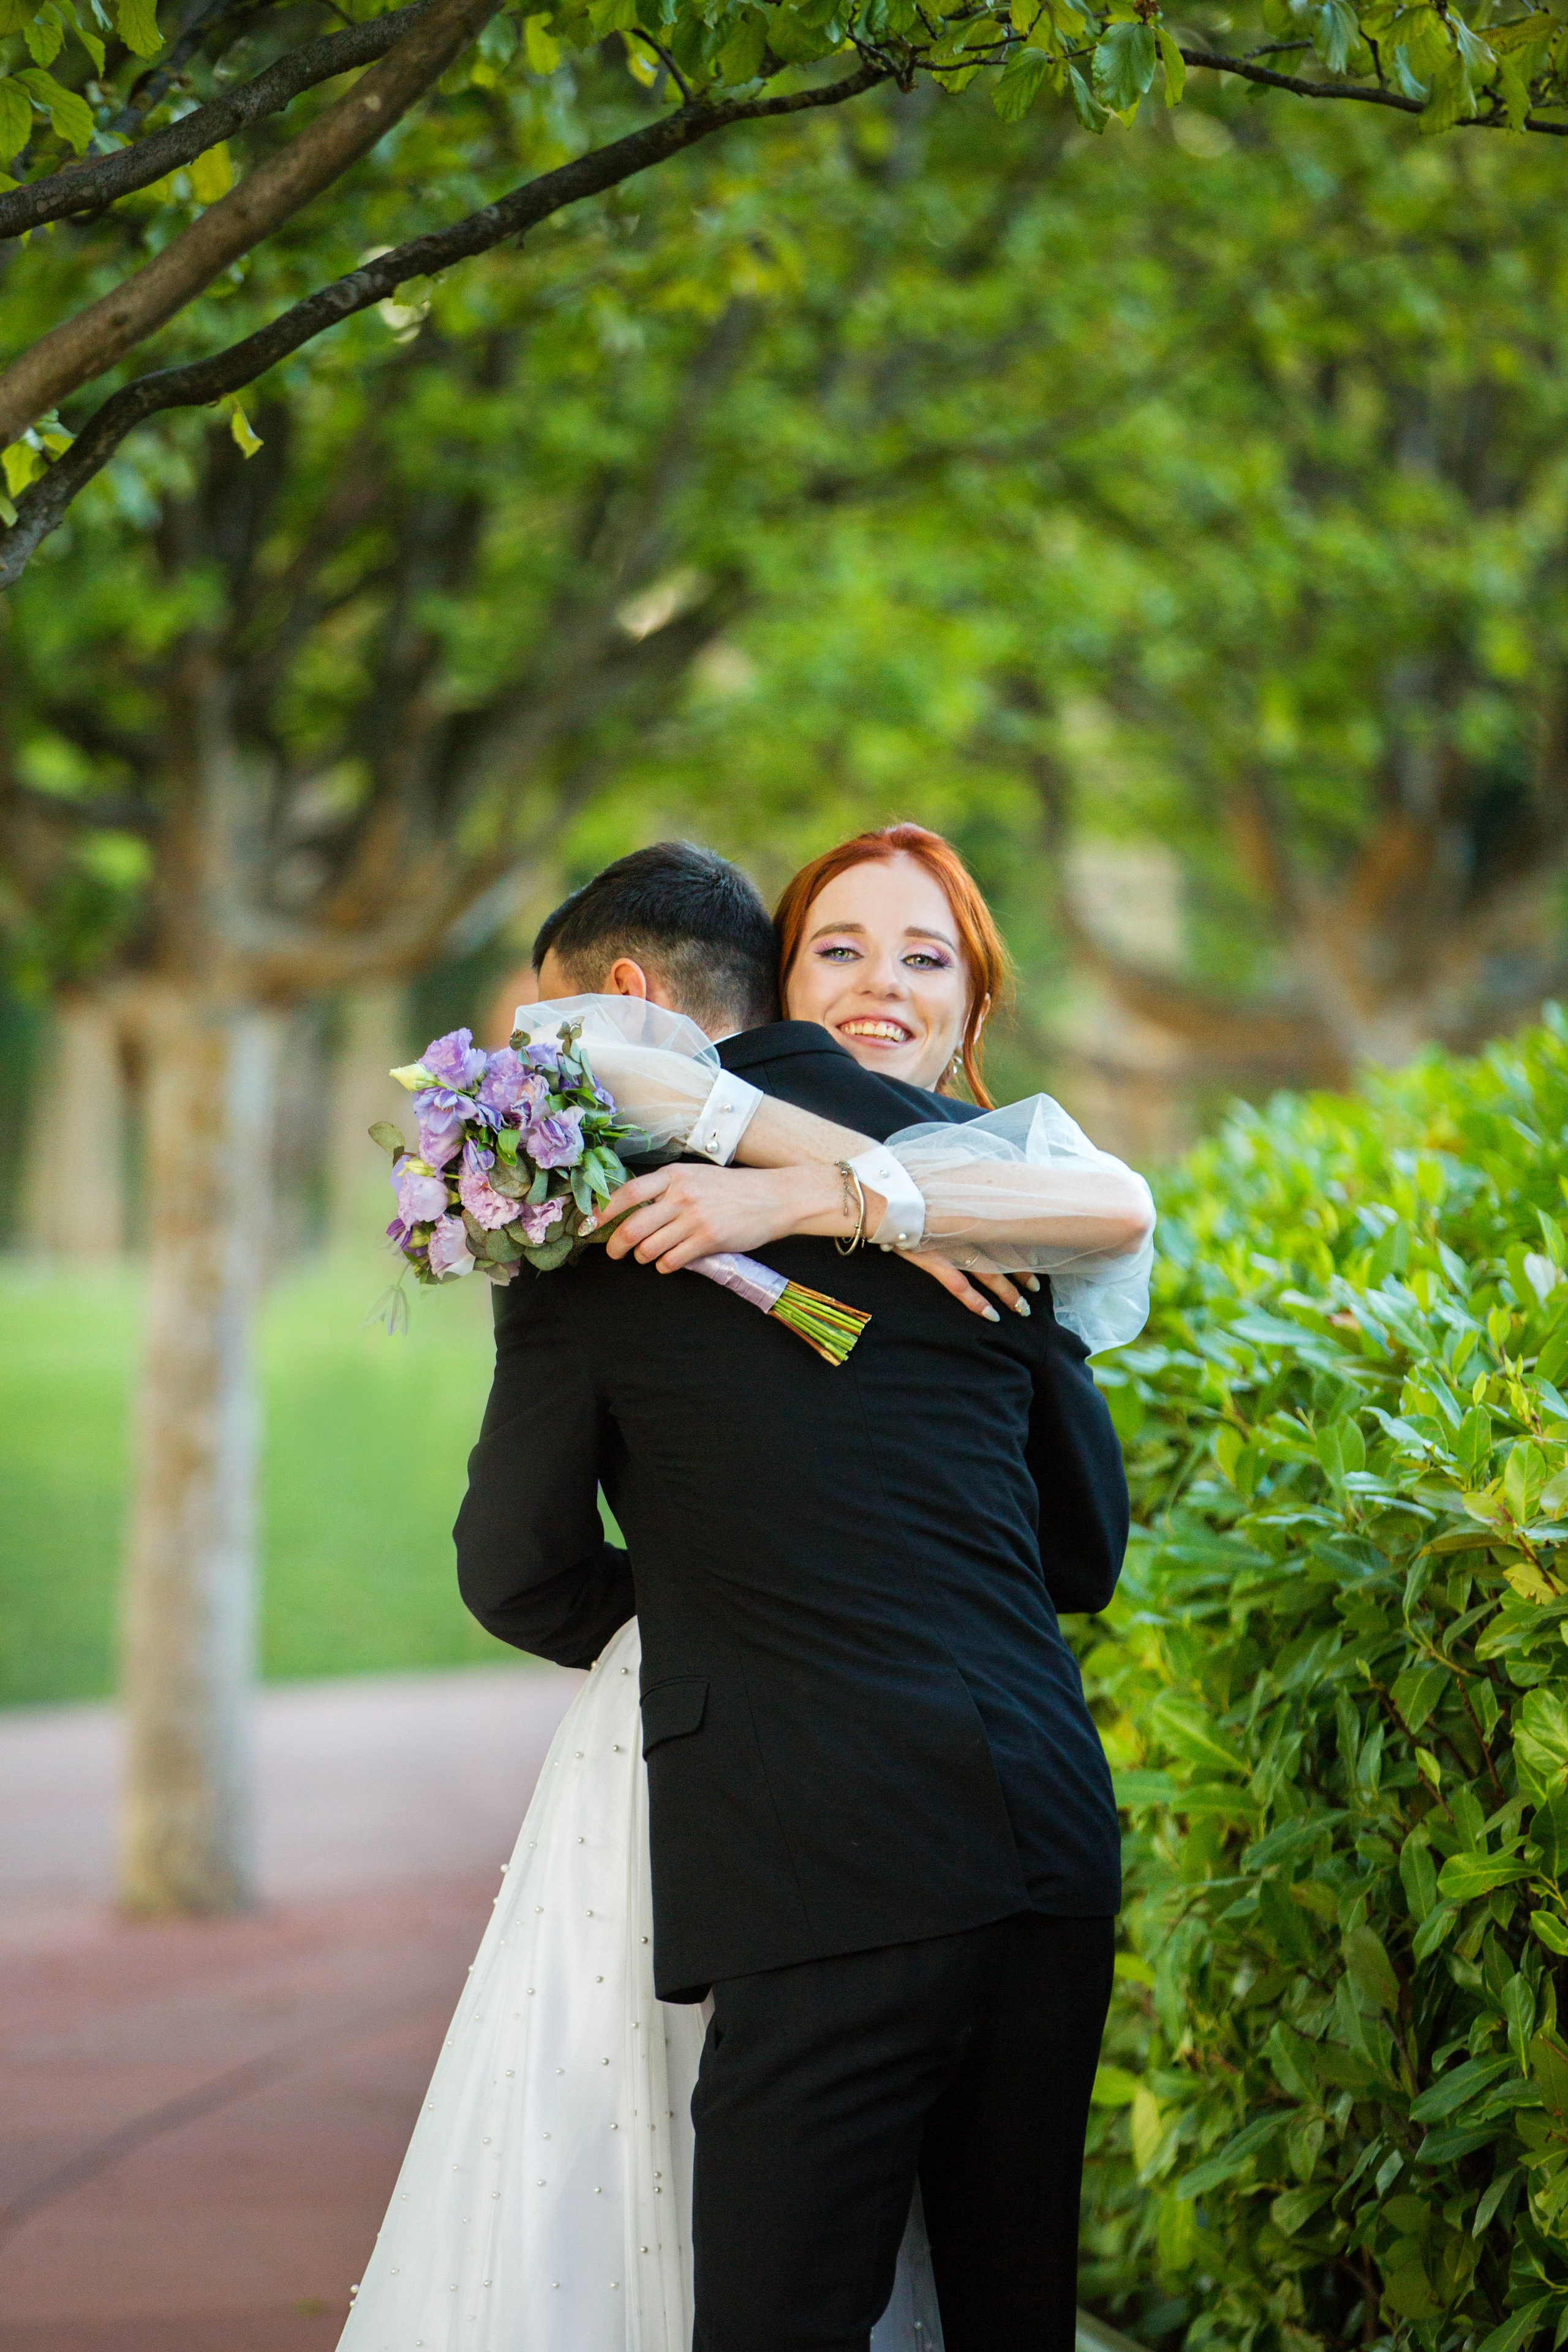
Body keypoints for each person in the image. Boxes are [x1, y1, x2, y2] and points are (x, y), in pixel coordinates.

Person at [338, 832, 1153, 2352]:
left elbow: (513, 1571)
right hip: (1044, 1829)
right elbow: (1080, 1552)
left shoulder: (587, 1226)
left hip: (812, 1853)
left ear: (623, 998)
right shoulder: (981, 1191)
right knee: (1011, 2318)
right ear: (777, 977)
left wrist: (711, 1606)